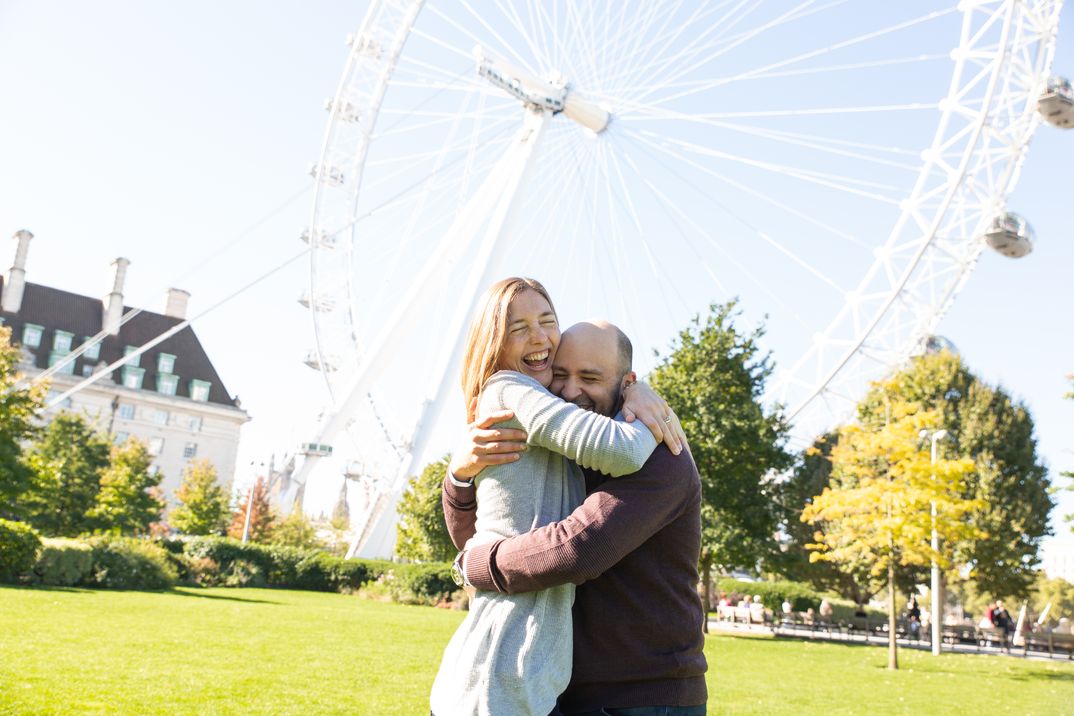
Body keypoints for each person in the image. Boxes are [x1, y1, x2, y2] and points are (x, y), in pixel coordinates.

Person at [429, 278, 681, 716]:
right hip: (502, 674)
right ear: (495, 340)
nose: (540, 337)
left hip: (631, 693)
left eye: (547, 321)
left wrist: (641, 397)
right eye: (519, 326)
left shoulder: (638, 451)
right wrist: (458, 475)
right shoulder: (515, 393)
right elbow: (622, 449)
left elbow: (577, 549)